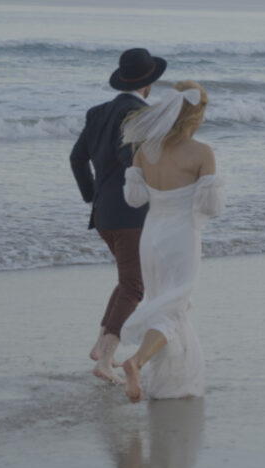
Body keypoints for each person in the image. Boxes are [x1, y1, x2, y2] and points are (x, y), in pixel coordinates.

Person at [118, 81, 224, 403]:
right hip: (181, 237)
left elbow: (135, 199)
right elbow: (212, 208)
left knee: (161, 302)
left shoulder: (144, 150)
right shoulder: (202, 153)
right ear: (197, 114)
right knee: (174, 308)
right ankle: (136, 362)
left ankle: (168, 383)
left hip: (151, 236)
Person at [70, 48, 166, 385]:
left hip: (104, 215)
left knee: (127, 280)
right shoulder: (141, 115)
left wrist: (91, 195)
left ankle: (101, 347)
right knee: (135, 286)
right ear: (149, 83)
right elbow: (131, 160)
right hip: (131, 214)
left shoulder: (99, 112)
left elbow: (76, 158)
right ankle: (106, 357)